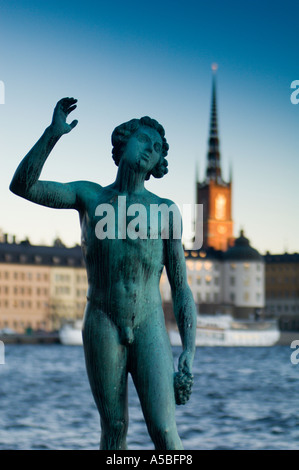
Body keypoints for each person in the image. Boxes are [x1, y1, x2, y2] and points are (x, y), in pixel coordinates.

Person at [10, 97, 197, 450]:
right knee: (114, 429)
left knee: (164, 431)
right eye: (143, 140)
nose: (148, 150)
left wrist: (189, 348)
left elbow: (181, 285)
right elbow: (23, 186)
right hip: (101, 320)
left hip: (149, 322)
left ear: (158, 163)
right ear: (123, 141)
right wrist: (53, 134)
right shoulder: (89, 196)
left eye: (156, 149)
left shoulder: (166, 211)